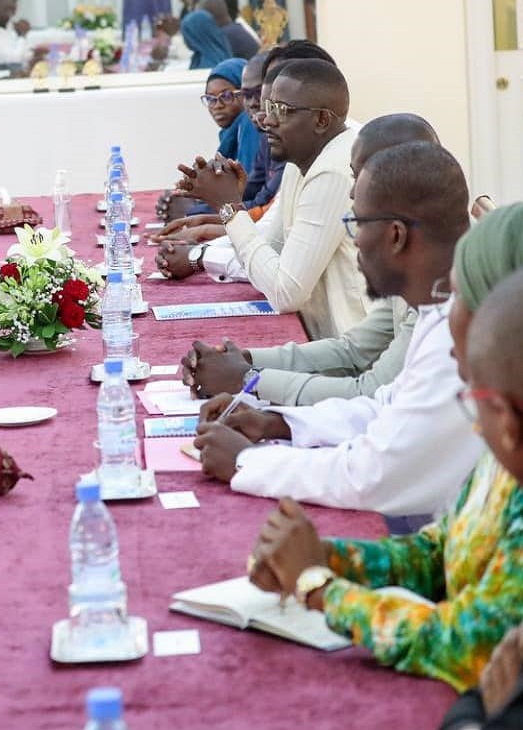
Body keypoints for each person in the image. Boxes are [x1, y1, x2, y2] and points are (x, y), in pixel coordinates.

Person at [245, 224, 523, 694]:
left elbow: (468, 644)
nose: (442, 315)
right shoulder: (503, 438)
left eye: (454, 296)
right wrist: (328, 556)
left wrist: (319, 587)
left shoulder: (507, 426)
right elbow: (440, 552)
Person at [192, 142, 483, 517]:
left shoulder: (457, 333)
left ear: (396, 235)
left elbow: (374, 477)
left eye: (356, 223)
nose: (354, 240)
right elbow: (386, 406)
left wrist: (247, 462)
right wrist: (274, 422)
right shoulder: (438, 306)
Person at [180, 114, 440, 406]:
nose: (352, 192)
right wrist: (243, 359)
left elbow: (371, 392)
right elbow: (353, 351)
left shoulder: (438, 276)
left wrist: (248, 379)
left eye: (359, 179)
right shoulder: (413, 249)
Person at [170, 59, 368, 340]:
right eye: (267, 108)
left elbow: (285, 292)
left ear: (321, 120)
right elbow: (270, 249)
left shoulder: (334, 171)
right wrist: (201, 248)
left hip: (349, 354)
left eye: (280, 110)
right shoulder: (300, 159)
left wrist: (230, 209)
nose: (265, 120)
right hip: (319, 340)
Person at [154, 41, 337, 245]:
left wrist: (200, 251)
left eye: (278, 99)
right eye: (247, 95)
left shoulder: (332, 165)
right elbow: (266, 225)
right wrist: (205, 210)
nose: (259, 107)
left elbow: (281, 262)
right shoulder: (289, 151)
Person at [202, 58, 259, 169]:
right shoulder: (231, 135)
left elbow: (249, 180)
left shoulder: (250, 125)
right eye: (210, 99)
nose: (218, 105)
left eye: (226, 96)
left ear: (246, 94)